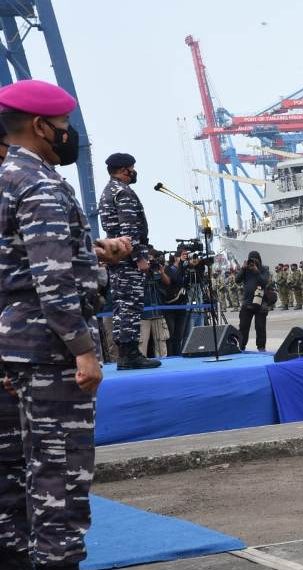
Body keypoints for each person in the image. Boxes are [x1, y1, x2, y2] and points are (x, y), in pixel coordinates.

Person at [0, 79, 132, 570]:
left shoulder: (6, 177)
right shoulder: (38, 184)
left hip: (18, 345)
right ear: (40, 126)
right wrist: (84, 350)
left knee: (20, 477)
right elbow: (52, 281)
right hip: (49, 350)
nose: (68, 135)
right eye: (63, 126)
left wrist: (92, 252)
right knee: (60, 480)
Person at [98, 151, 161, 370]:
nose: (134, 172)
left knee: (122, 305)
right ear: (125, 169)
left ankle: (126, 353)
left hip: (117, 258)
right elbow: (129, 231)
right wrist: (139, 258)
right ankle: (130, 354)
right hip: (127, 260)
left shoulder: (108, 191)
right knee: (130, 305)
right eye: (132, 168)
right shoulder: (122, 192)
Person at [235, 251, 271, 351]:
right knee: (243, 327)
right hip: (247, 303)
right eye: (251, 259)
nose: (253, 262)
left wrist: (257, 271)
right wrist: (243, 269)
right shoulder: (246, 270)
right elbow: (237, 280)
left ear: (259, 260)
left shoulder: (264, 269)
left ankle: (261, 347)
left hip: (261, 303)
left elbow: (264, 282)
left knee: (260, 327)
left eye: (255, 259)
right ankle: (241, 346)